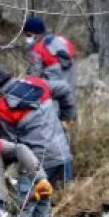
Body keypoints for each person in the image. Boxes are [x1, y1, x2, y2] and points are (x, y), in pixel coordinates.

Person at [0, 65, 74, 217]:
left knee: (24, 204)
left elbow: (12, 147)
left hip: (35, 161)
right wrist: (67, 117)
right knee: (45, 195)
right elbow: (65, 88)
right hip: (62, 154)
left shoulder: (2, 108)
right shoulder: (37, 83)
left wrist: (0, 169)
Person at [23, 14, 78, 185]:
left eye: (27, 34)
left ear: (34, 33)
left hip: (50, 100)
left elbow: (34, 79)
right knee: (65, 136)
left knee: (50, 136)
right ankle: (66, 181)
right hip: (69, 99)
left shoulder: (37, 50)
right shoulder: (63, 42)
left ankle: (48, 178)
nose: (26, 38)